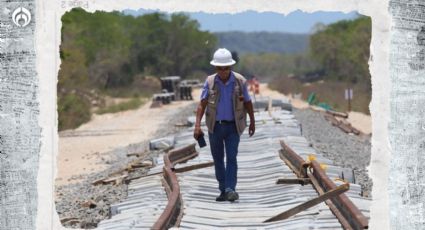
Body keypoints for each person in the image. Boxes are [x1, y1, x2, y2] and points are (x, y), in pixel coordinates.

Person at [193, 48, 255, 202]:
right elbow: (202, 104)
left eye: (226, 68)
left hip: (234, 127)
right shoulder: (210, 82)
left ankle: (230, 189)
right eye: (220, 68)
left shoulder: (240, 81)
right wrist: (197, 126)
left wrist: (253, 121)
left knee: (232, 157)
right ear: (216, 68)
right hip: (215, 127)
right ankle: (223, 189)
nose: (223, 71)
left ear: (231, 67)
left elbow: (247, 102)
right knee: (218, 159)